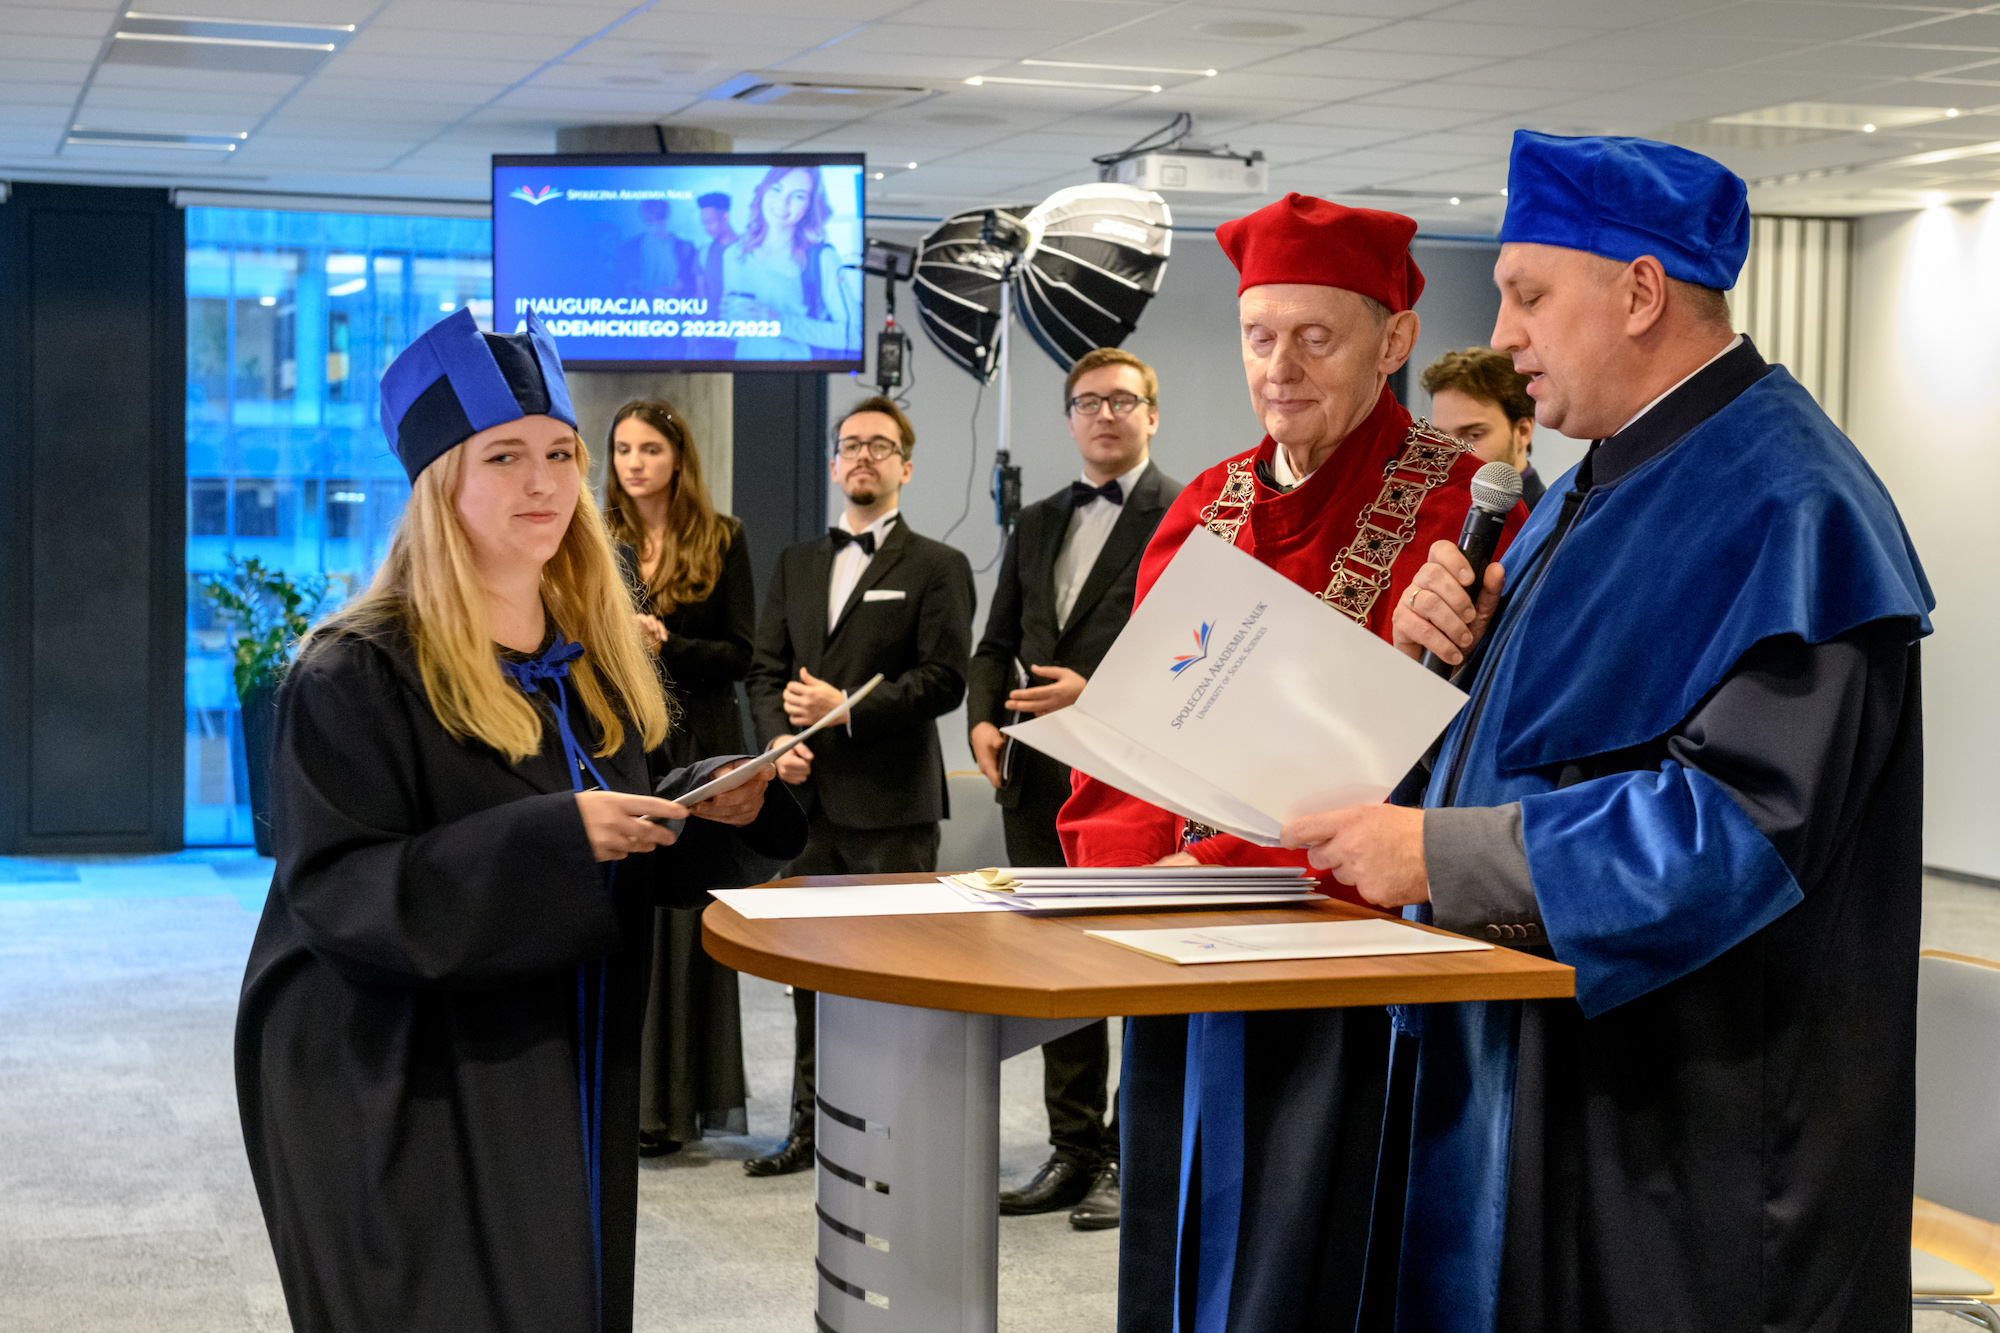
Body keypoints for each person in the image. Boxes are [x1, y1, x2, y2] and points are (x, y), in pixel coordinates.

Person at [1284, 132, 1933, 1332]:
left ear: (1639, 292)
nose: (1504, 334)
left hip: (1691, 1122)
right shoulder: (1596, 480)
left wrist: (1438, 854)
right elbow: (1558, 736)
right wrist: (1450, 660)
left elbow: (1736, 828)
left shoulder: (1789, 500)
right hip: (1555, 1072)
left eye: (1528, 295)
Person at [233, 308, 806, 1333]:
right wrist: (558, 836)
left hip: (562, 1051)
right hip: (408, 1074)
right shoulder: (352, 671)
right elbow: (339, 893)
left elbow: (614, 857)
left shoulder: (587, 657)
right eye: (503, 456)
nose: (544, 482)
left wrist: (711, 804)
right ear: (438, 481)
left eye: (559, 453)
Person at [1055, 195, 1528, 1333]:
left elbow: (1463, 766)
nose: (1280, 367)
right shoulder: (1203, 504)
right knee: (1179, 1242)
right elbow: (1130, 735)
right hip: (1181, 945)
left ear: (1394, 340)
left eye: (1316, 336)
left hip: (1347, 970)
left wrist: (1219, 865)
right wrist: (1125, 870)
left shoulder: (1462, 514)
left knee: (1314, 1262)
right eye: (1259, 335)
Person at [967, 346, 1181, 1231]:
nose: (1104, 415)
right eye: (1088, 402)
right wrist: (982, 719)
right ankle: (1075, 1146)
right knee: (1060, 968)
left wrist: (1098, 694)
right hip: (1035, 776)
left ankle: (1132, 1153)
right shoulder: (1037, 520)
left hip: (1134, 779)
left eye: (1122, 400)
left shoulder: (1190, 513)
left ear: (1152, 414)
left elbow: (1195, 650)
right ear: (1069, 419)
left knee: (1134, 969)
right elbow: (995, 642)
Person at [742, 394, 976, 1176]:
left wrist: (846, 709)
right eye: (850, 444)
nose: (863, 456)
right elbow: (764, 670)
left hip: (891, 808)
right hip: (806, 802)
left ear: (906, 466)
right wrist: (777, 741)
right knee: (812, 977)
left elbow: (945, 678)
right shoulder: (796, 562)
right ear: (834, 462)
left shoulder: (938, 565)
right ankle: (809, 1128)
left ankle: (892, 1137)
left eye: (880, 444)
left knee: (893, 978)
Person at [602, 398, 758, 1159]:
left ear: (678, 459)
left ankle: (680, 1107)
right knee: (632, 916)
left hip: (702, 740)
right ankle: (627, 1101)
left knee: (691, 926)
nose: (634, 463)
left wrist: (666, 645)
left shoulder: (723, 536)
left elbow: (740, 653)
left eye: (650, 449)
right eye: (623, 449)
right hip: (628, 742)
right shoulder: (595, 539)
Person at [719, 165, 859, 362]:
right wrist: (729, 322)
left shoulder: (822, 258)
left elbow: (854, 336)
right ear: (763, 191)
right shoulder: (734, 255)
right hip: (744, 371)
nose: (782, 203)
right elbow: (735, 334)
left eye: (798, 196)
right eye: (776, 189)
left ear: (809, 206)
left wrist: (780, 322)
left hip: (803, 376)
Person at [1420, 345, 1548, 508]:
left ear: (1523, 432)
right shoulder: (1439, 510)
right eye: (1441, 438)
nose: (1450, 455)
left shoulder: (1551, 521)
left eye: (1474, 435)